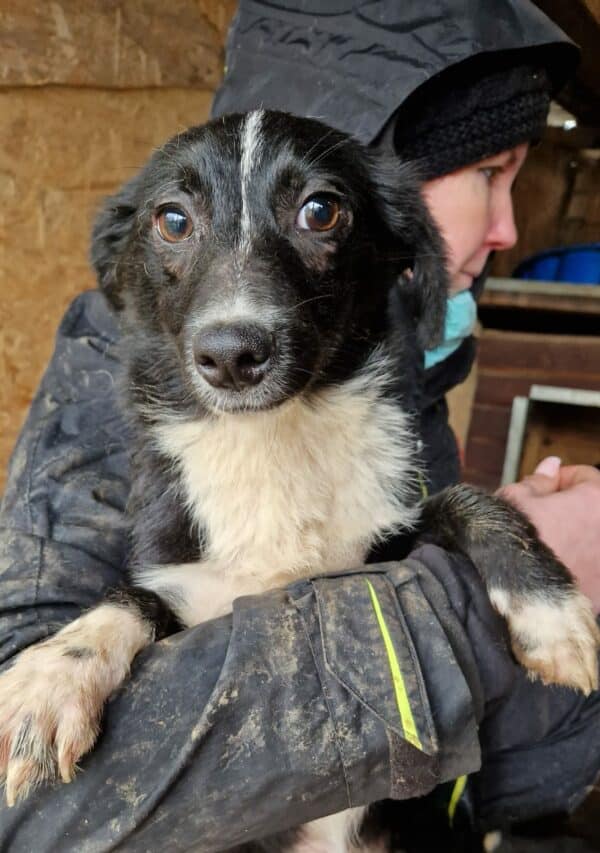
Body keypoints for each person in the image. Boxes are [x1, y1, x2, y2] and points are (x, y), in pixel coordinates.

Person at [0, 1, 598, 851]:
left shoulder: (389, 371)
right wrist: (460, 613)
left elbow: (470, 759)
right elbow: (30, 811)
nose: (508, 227)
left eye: (316, 214)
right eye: (489, 174)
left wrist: (542, 570)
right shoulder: (124, 379)